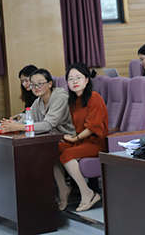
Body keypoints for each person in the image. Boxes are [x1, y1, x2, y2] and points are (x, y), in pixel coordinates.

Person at [55, 63, 108, 212]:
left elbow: (92, 127)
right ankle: (63, 190)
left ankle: (88, 193)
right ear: (67, 83)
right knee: (51, 150)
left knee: (67, 154)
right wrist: (71, 137)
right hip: (81, 140)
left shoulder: (94, 97)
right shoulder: (72, 102)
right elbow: (75, 126)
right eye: (71, 79)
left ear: (86, 80)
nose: (75, 81)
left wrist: (75, 139)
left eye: (78, 77)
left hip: (96, 142)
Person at [0, 68, 75, 135]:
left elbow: (47, 125)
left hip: (65, 137)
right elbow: (25, 120)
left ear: (50, 84)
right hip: (47, 137)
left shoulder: (61, 97)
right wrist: (10, 125)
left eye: (40, 83)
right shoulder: (38, 101)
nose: (36, 87)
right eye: (33, 84)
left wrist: (18, 127)